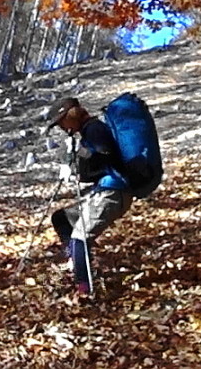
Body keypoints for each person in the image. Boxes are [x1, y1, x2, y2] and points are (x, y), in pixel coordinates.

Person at [45, 96, 136, 298]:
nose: (62, 128)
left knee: (80, 239)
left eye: (62, 122)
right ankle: (75, 264)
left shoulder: (94, 129)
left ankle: (84, 290)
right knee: (61, 218)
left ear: (71, 116)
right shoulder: (88, 130)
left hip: (113, 193)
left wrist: (79, 154)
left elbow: (105, 156)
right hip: (105, 191)